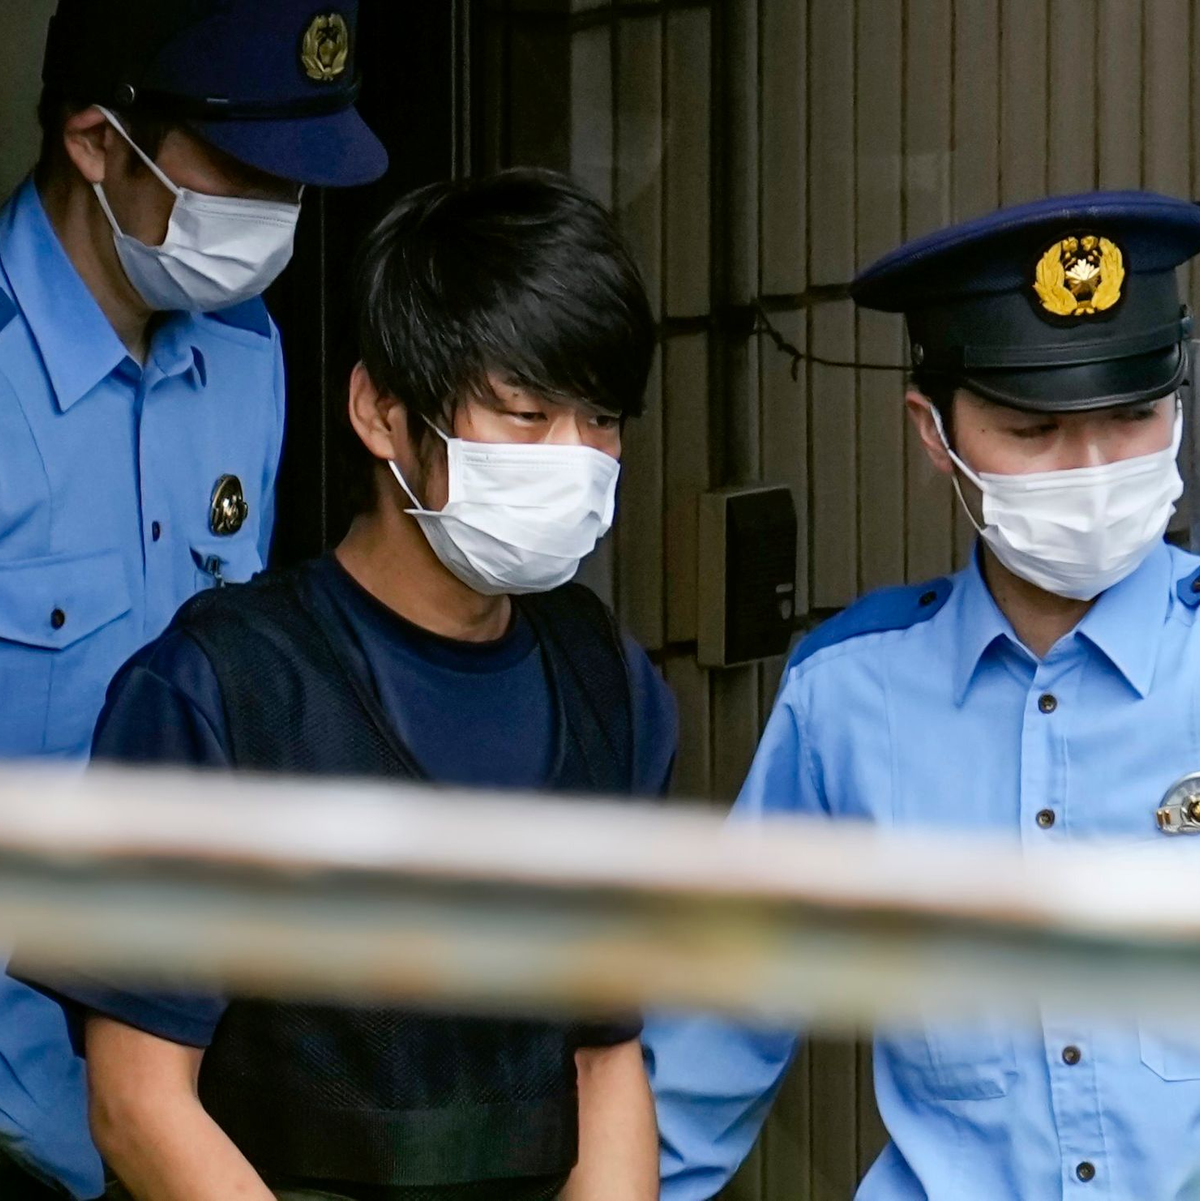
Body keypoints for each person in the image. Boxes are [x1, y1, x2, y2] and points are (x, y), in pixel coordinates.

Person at [31, 169, 672, 1201]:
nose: (577, 458)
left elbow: (606, 1062)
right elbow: (139, 1099)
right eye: (526, 412)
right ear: (381, 412)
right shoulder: (217, 693)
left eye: (601, 419)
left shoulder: (610, 688)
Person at [643, 193, 1200, 1199]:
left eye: (1131, 416)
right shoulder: (848, 698)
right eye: (1033, 429)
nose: (1091, 471)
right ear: (933, 432)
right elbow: (703, 1061)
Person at [0, 1, 387, 1194]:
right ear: (94, 139)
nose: (276, 210)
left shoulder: (249, 356)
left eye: (298, 177)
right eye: (243, 172)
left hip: (192, 1108)